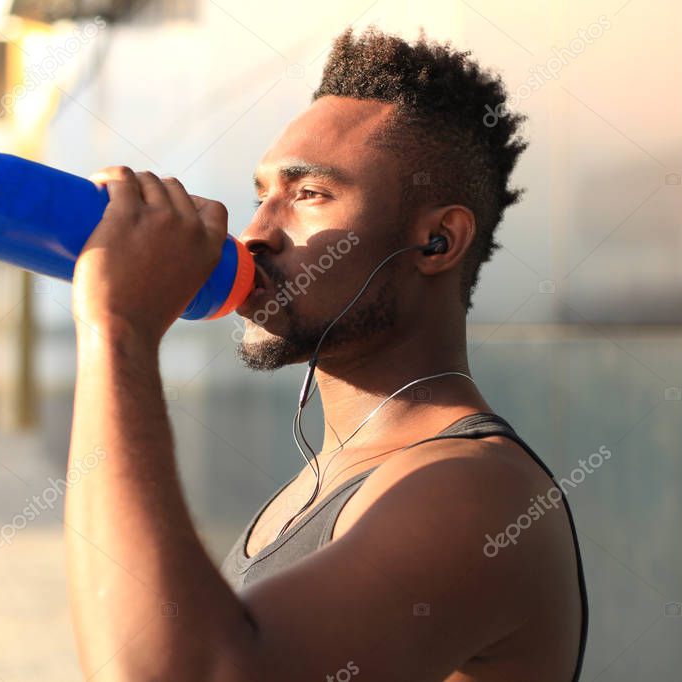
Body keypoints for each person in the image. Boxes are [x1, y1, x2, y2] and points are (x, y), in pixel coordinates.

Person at [64, 26, 587, 682]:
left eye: (308, 195)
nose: (253, 233)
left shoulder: (477, 494)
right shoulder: (331, 476)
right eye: (261, 196)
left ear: (436, 241)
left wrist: (117, 330)